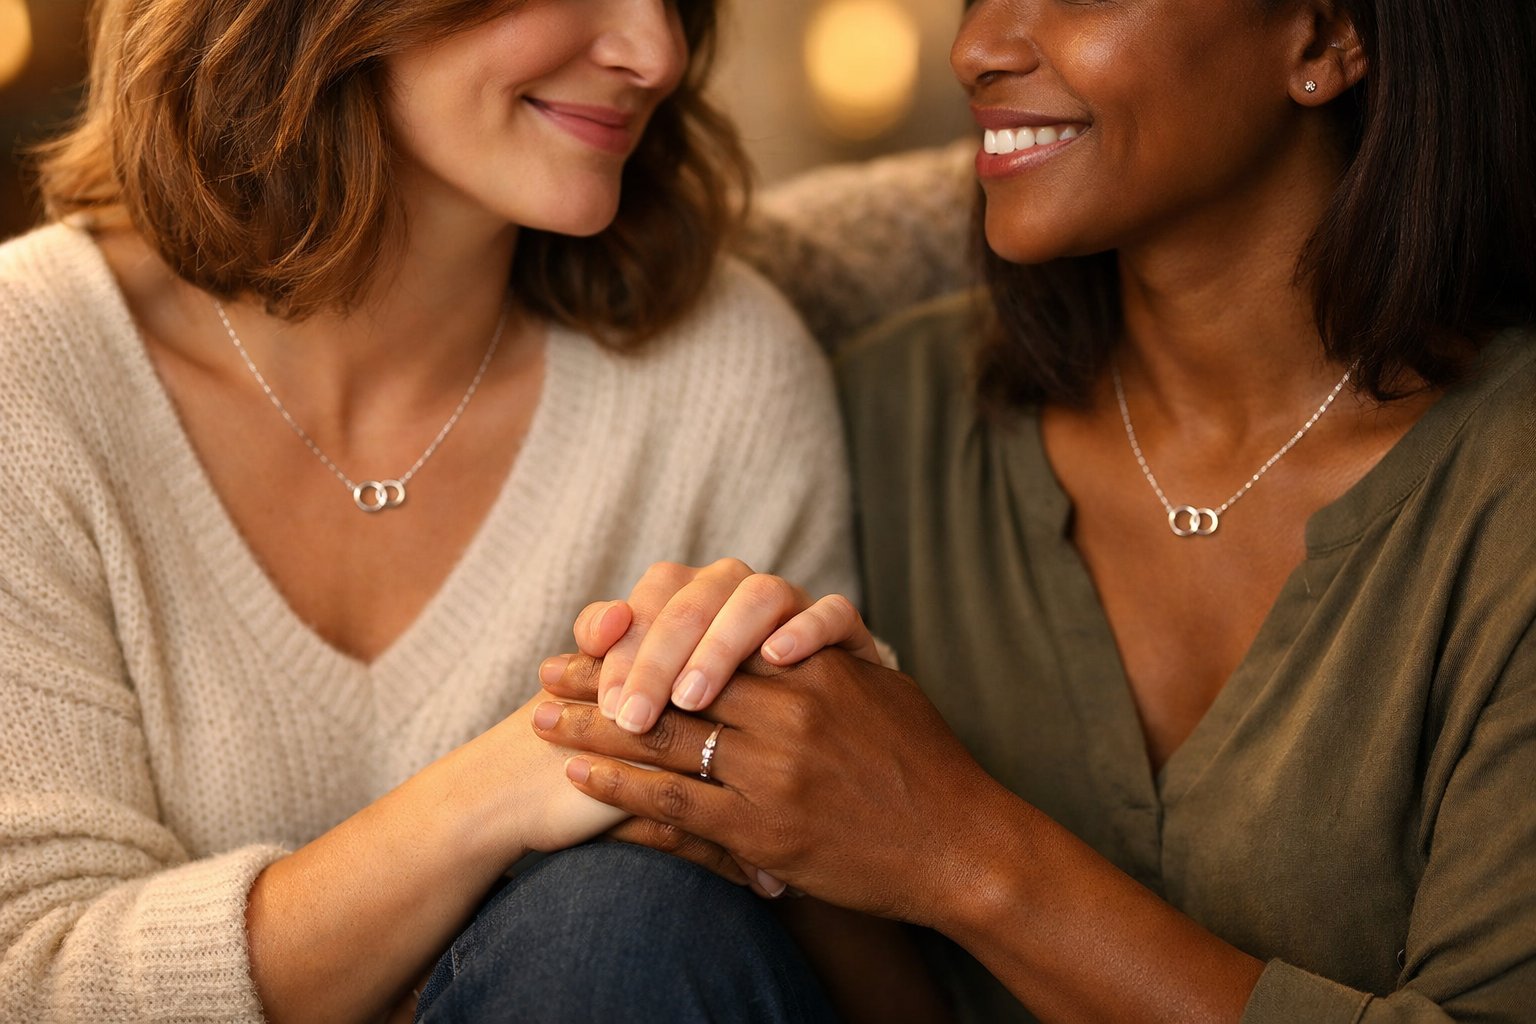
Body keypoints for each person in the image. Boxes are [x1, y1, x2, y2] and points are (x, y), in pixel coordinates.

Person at [533, 0, 1536, 1020]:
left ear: (1324, 39)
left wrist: (959, 849)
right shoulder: (883, 413)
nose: (976, 50)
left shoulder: (1505, 495)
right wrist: (758, 821)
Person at [0, 1, 860, 1020]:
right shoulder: (30, 369)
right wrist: (502, 792)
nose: (655, 55)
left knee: (624, 914)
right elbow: (34, 974)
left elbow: (822, 939)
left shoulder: (723, 373)